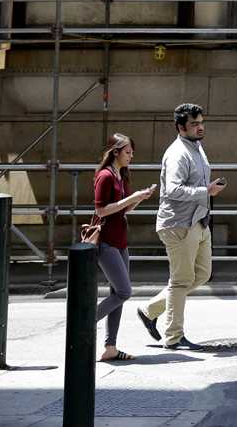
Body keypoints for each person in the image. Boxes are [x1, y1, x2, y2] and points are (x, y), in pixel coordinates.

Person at [137, 103, 226, 351]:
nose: (200, 127)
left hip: (198, 220)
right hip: (178, 224)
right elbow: (173, 190)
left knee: (202, 274)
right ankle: (173, 337)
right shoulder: (178, 153)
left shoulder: (196, 146)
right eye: (194, 124)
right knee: (180, 281)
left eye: (201, 122)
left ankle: (149, 310)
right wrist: (206, 191)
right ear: (180, 127)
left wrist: (207, 191)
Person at [92, 133, 156, 362]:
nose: (131, 156)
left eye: (132, 152)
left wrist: (139, 198)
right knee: (124, 291)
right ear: (115, 152)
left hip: (120, 242)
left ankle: (110, 347)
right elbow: (101, 210)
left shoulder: (121, 176)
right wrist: (131, 199)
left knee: (116, 294)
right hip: (106, 242)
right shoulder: (106, 176)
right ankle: (85, 322)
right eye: (128, 152)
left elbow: (122, 210)